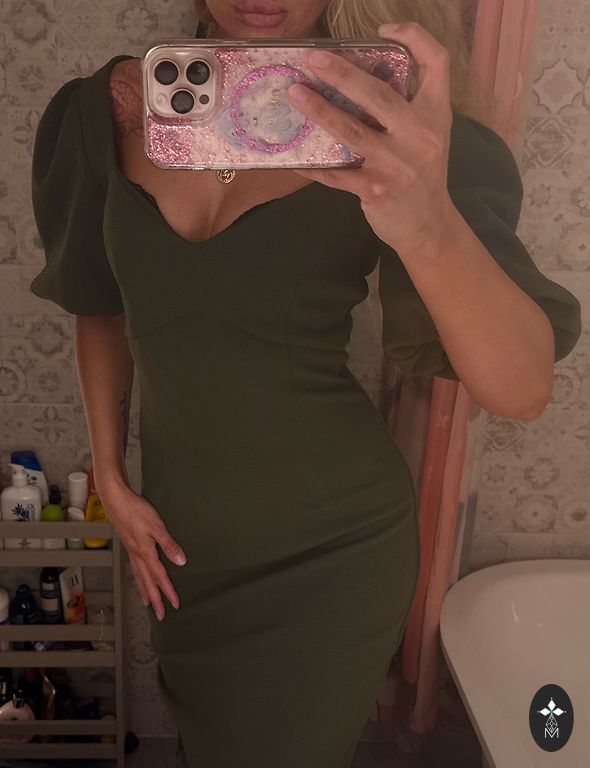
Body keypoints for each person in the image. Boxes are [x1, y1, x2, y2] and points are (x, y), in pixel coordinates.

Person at [29, 1, 581, 766]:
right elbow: (98, 304)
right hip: (190, 546)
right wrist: (111, 481)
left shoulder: (391, 125)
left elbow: (521, 389)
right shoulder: (108, 114)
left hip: (334, 550)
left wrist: (425, 219)